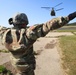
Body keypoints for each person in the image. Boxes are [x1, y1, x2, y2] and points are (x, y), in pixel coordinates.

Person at [0, 11, 76, 75]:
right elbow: (49, 25)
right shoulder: (28, 34)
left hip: (16, 66)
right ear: (24, 23)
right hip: (27, 69)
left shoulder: (4, 33)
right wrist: (69, 17)